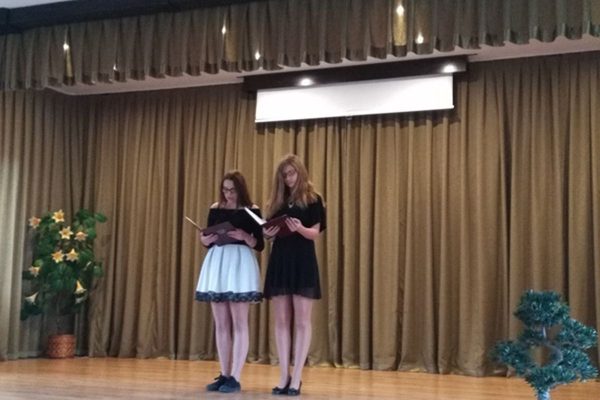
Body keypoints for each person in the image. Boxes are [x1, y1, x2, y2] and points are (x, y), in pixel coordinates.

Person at [195, 170, 264, 393]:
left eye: (232, 190)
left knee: (239, 322)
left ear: (240, 190)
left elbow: (260, 244)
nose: (228, 194)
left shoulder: (252, 210)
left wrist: (245, 236)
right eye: (225, 190)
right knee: (221, 323)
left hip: (240, 263)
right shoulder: (216, 208)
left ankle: (235, 376)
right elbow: (207, 240)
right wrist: (204, 238)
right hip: (218, 261)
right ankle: (224, 374)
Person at [263, 154, 326, 396]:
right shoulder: (277, 201)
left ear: (300, 172)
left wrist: (299, 228)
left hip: (302, 260)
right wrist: (268, 232)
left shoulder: (313, 199)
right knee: (281, 321)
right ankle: (283, 375)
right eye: (284, 175)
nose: (288, 179)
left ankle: (297, 376)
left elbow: (314, 233)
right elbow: (268, 232)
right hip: (281, 260)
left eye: (291, 173)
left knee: (302, 321)